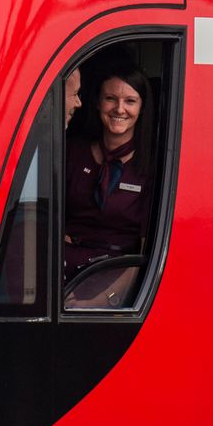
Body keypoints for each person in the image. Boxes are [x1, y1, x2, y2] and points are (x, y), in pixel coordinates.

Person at [62, 68, 156, 283]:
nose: (119, 109)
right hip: (63, 265)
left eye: (130, 101)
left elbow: (146, 252)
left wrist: (105, 299)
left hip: (117, 274)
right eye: (110, 98)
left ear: (142, 108)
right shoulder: (72, 151)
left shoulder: (151, 166)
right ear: (97, 103)